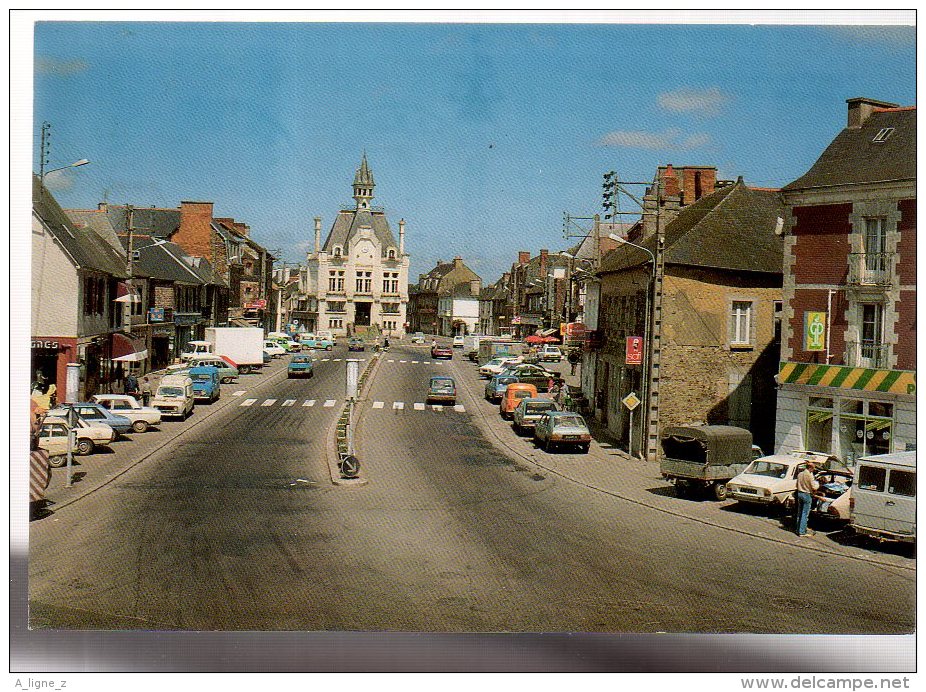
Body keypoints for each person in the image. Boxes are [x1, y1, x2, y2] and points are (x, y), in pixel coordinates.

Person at [794, 460, 820, 537]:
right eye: (814, 468)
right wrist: (817, 485)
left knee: (800, 512)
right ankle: (802, 532)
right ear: (811, 468)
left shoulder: (800, 474)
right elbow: (814, 487)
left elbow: (796, 485)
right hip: (806, 494)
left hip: (799, 493)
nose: (814, 470)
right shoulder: (810, 475)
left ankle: (798, 529)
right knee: (805, 514)